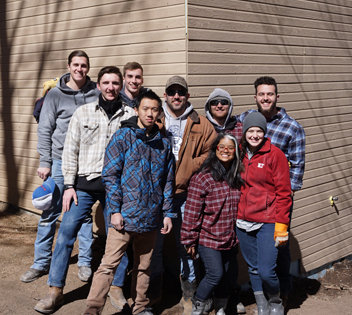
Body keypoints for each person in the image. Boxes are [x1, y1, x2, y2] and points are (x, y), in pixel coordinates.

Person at [34, 66, 135, 314]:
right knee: (67, 232)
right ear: (98, 86)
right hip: (83, 186)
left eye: (115, 83)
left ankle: (116, 287)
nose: (110, 87)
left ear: (120, 86)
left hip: (116, 188)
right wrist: (69, 185)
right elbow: (70, 150)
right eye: (106, 83)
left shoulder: (131, 116)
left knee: (118, 237)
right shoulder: (83, 112)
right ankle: (55, 290)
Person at [84, 91, 176, 315]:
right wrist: (114, 210)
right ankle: (92, 309)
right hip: (123, 216)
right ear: (136, 110)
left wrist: (167, 213)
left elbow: (168, 181)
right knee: (108, 266)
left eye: (155, 109)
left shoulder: (163, 142)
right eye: (146, 109)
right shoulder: (123, 136)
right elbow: (110, 176)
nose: (150, 113)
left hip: (151, 217)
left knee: (144, 267)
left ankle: (140, 307)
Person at [21, 50, 97, 284]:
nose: (79, 69)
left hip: (85, 162)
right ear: (68, 66)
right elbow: (45, 129)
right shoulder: (54, 95)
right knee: (50, 212)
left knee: (82, 214)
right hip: (59, 162)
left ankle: (84, 262)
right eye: (76, 64)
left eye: (83, 65)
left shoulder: (96, 93)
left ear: (88, 68)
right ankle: (41, 262)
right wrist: (45, 162)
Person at [149, 76, 217, 315]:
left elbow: (212, 152)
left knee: (186, 245)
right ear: (165, 95)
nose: (176, 96)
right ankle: (153, 291)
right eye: (172, 92)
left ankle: (188, 294)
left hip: (185, 195)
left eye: (181, 92)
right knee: (153, 245)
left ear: (187, 96)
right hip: (155, 195)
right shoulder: (154, 118)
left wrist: (189, 167)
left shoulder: (201, 123)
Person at [237, 76, 305, 306]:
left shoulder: (292, 127)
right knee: (256, 257)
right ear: (255, 96)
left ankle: (282, 294)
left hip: (278, 198)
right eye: (261, 94)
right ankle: (262, 297)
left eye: (270, 94)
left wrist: (287, 195)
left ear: (277, 96)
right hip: (250, 202)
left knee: (280, 250)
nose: (265, 98)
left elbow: (297, 165)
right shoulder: (244, 120)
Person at [236, 112, 292, 315]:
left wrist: (282, 226)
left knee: (266, 271)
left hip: (267, 221)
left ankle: (276, 301)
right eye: (250, 131)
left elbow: (284, 194)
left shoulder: (275, 154)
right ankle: (261, 303)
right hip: (242, 220)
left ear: (264, 133)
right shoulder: (239, 152)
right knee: (252, 267)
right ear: (244, 133)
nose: (254, 135)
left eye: (259, 131)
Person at [181, 133, 244, 315]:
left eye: (230, 148)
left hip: (230, 238)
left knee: (227, 277)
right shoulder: (203, 178)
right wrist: (189, 239)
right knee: (215, 274)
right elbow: (192, 211)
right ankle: (198, 306)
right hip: (208, 238)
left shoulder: (236, 177)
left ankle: (221, 308)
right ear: (215, 149)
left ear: (236, 152)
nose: (225, 150)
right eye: (221, 147)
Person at [204, 88, 246, 314]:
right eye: (214, 102)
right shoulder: (202, 126)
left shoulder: (239, 127)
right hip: (210, 191)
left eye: (224, 102)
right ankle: (205, 297)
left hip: (235, 189)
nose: (219, 106)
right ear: (208, 106)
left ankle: (230, 296)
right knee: (210, 256)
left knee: (232, 253)